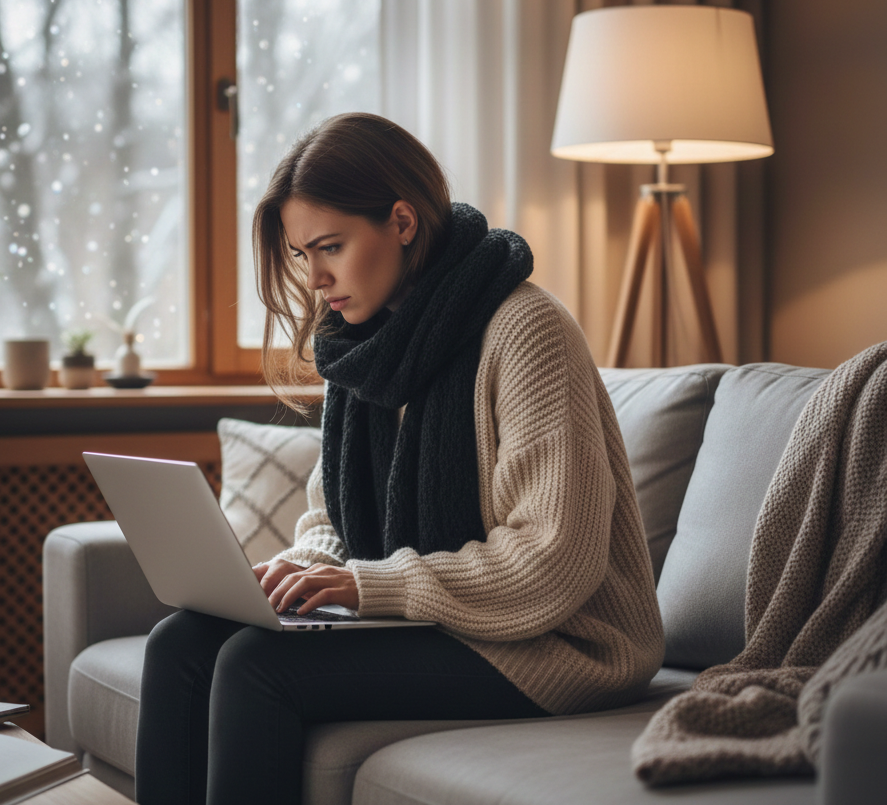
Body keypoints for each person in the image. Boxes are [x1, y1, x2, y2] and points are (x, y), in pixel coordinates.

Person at [134, 112, 664, 805]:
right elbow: (332, 519)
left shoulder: (525, 329)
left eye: (329, 246)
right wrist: (309, 566)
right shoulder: (364, 346)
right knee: (180, 641)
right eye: (301, 254)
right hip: (440, 617)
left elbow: (551, 561)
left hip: (557, 641)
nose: (316, 278)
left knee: (258, 665)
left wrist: (366, 586)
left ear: (403, 222)